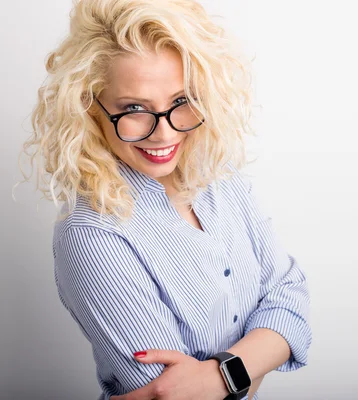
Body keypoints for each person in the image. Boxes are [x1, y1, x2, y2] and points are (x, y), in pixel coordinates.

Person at [20, 0, 312, 398]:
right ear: (89, 106)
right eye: (134, 108)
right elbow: (173, 394)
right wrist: (261, 352)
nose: (164, 134)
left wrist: (218, 377)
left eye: (181, 100)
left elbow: (291, 297)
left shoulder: (224, 181)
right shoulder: (91, 236)